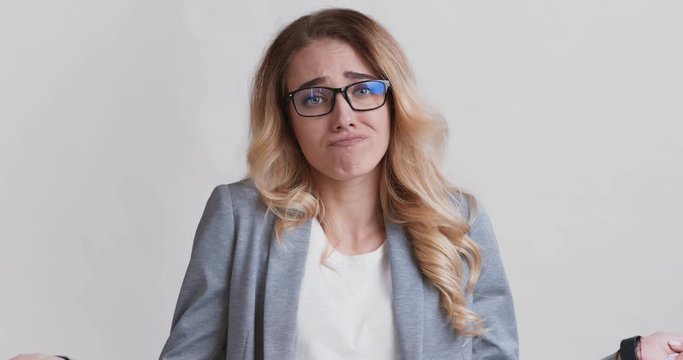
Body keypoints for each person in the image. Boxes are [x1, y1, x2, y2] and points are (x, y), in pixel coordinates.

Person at [9, 7, 682, 360]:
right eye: (314, 97)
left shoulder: (456, 221)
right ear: (286, 117)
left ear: (393, 100)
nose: (343, 115)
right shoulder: (238, 217)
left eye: (363, 90)